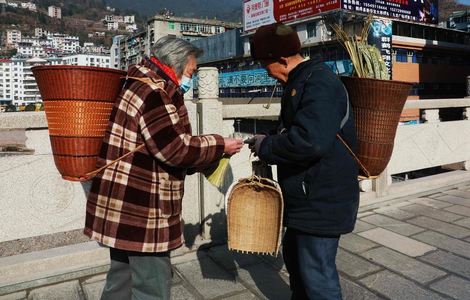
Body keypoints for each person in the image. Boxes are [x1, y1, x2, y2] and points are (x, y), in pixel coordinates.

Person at [84, 36, 243, 300]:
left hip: (121, 202)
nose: (189, 79)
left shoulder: (135, 83)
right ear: (176, 64)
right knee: (152, 285)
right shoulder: (154, 92)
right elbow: (174, 149)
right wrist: (219, 144)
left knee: (121, 278)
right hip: (142, 208)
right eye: (190, 72)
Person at [248, 23, 359, 299]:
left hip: (322, 200)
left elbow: (310, 141)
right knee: (298, 265)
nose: (266, 71)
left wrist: (268, 147)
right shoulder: (300, 81)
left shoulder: (319, 82)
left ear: (282, 60)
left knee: (317, 276)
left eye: (265, 64)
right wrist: (266, 138)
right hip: (304, 199)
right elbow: (296, 129)